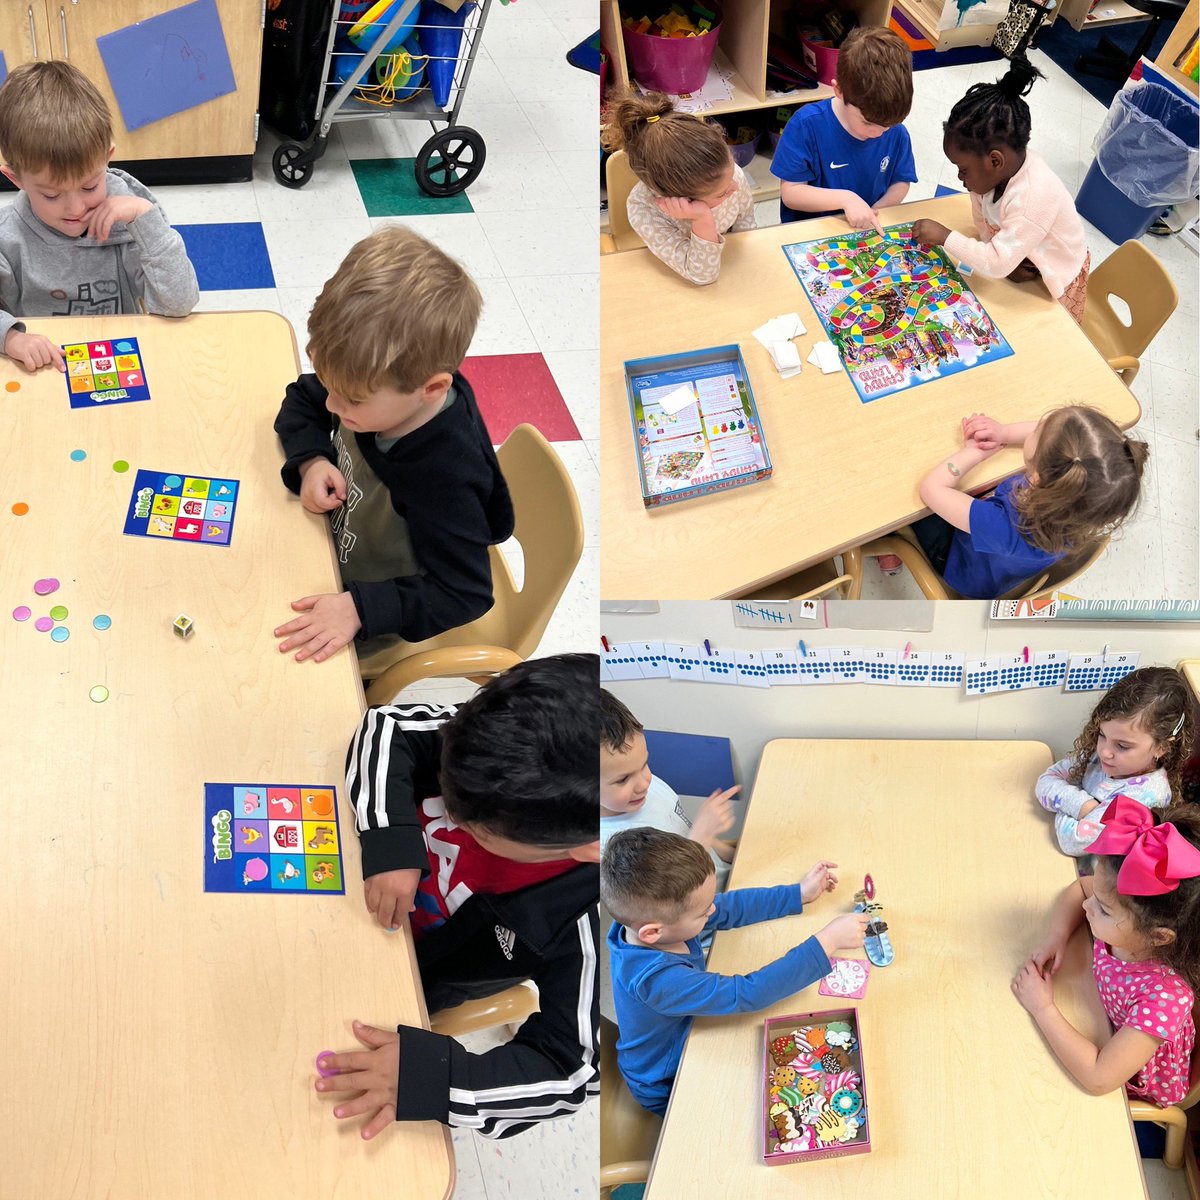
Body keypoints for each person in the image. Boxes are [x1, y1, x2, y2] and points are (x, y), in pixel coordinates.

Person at [314, 653, 599, 1140]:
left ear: (588, 848)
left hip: (403, 977)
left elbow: (573, 1072)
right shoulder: (498, 740)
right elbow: (387, 726)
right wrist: (392, 840)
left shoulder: (588, 916)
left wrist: (434, 1077)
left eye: (479, 831)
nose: (453, 818)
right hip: (342, 894)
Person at [273, 225, 513, 664]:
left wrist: (360, 609)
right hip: (324, 552)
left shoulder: (445, 478)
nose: (332, 404)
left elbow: (464, 593)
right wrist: (311, 461)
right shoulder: (373, 382)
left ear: (432, 389)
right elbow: (303, 400)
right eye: (330, 385)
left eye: (351, 400)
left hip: (366, 618)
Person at [602, 827, 869, 1114]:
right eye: (703, 912)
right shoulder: (658, 980)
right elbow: (747, 993)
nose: (712, 911)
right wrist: (827, 942)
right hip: (667, 1083)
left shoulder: (650, 923)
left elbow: (728, 906)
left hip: (686, 1042)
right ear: (652, 932)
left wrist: (798, 894)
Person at [0, 61, 199, 372]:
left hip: (120, 360)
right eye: (51, 195)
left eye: (90, 186)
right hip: (43, 371)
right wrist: (10, 337)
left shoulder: (132, 218)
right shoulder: (7, 237)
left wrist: (145, 221)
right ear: (16, 179)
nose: (76, 208)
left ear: (107, 158)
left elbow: (179, 304)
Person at [1013, 798, 1199, 1116]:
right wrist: (1057, 936)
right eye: (1097, 899)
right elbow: (1081, 888)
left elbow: (1099, 1078)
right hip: (1099, 1017)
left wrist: (1042, 1007)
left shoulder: (1165, 997)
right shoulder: (1130, 925)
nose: (1088, 906)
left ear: (1157, 937)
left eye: (1103, 909)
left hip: (1131, 1079)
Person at [911, 56, 1090, 324]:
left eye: (963, 169)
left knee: (1044, 335)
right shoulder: (988, 179)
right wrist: (1004, 259)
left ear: (995, 161)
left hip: (1056, 275)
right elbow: (983, 223)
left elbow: (995, 264)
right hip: (1025, 256)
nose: (959, 177)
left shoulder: (1033, 197)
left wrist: (946, 237)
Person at [910, 405, 1147, 598]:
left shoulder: (1007, 526)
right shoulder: (1075, 504)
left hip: (960, 565)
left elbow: (931, 489)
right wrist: (1003, 433)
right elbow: (1051, 437)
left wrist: (975, 452)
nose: (1034, 428)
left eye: (1038, 432)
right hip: (999, 561)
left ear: (1037, 478)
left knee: (908, 506)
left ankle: (892, 545)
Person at [601, 90, 756, 284]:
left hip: (731, 263)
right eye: (722, 194)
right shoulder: (645, 209)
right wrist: (702, 219)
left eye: (732, 174)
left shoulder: (728, 175)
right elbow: (702, 275)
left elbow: (747, 227)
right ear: (679, 198)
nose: (735, 187)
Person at [1036, 667, 1193, 858]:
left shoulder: (1144, 798)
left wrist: (1061, 801)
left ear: (1162, 747)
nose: (1104, 752)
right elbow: (1045, 781)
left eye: (1122, 746)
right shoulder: (1103, 757)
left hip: (1087, 873)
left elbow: (1072, 842)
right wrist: (1083, 806)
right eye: (1102, 735)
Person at [771, 27, 916, 230]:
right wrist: (846, 199)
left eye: (887, 126)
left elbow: (900, 182)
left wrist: (874, 212)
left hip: (865, 229)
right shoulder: (806, 125)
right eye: (867, 123)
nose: (878, 133)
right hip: (811, 232)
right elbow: (791, 193)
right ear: (839, 90)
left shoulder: (896, 131)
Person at [600, 688, 737, 894]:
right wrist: (702, 834)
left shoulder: (646, 787)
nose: (644, 783)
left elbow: (684, 830)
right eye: (623, 779)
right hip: (705, 907)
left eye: (645, 764)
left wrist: (734, 856)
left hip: (730, 880)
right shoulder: (609, 850)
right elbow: (671, 898)